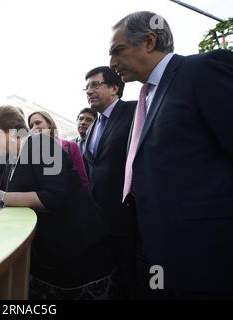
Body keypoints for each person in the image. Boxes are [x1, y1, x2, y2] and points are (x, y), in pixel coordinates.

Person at [110, 11, 233, 298]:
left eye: (118, 51)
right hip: (151, 244)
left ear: (149, 41)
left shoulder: (201, 70)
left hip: (203, 251)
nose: (112, 63)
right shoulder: (144, 97)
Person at [0, 105, 115, 300]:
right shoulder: (12, 157)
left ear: (11, 131)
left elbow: (50, 198)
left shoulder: (42, 145)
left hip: (78, 249)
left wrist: (1, 197)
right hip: (49, 250)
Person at [82, 66, 136, 298]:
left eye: (95, 85)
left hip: (130, 220)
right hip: (100, 223)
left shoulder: (135, 111)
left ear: (114, 88)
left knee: (135, 281)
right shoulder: (93, 126)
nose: (89, 91)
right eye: (87, 87)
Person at [28, 110, 89, 189]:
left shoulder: (70, 146)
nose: (34, 127)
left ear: (49, 123)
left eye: (38, 123)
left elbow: (83, 180)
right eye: (31, 126)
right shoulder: (32, 153)